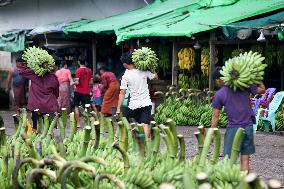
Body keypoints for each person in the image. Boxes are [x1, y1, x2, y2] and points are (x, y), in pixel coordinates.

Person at [210, 67, 265, 171]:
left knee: (228, 161)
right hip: (248, 126)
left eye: (215, 81)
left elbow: (215, 116)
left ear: (218, 80)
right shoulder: (244, 86)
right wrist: (254, 77)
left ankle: (230, 184)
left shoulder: (219, 94)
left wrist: (212, 132)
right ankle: (246, 185)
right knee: (245, 160)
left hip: (233, 129)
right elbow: (262, 89)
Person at [116, 52, 158, 138]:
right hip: (146, 103)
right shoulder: (143, 71)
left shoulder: (125, 75)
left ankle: (123, 138)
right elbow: (155, 77)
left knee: (124, 120)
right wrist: (152, 68)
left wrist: (118, 108)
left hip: (133, 105)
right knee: (145, 123)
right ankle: (147, 142)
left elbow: (122, 93)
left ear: (124, 64)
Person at [18, 61, 59, 130]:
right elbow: (56, 94)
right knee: (50, 130)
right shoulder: (53, 78)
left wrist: (27, 64)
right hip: (49, 107)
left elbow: (22, 71)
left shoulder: (34, 74)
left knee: (36, 128)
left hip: (35, 106)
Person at [73, 60, 93, 128]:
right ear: (85, 62)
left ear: (79, 62)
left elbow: (77, 82)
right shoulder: (89, 70)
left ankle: (78, 124)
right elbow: (91, 82)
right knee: (87, 108)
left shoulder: (78, 70)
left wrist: (73, 82)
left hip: (78, 91)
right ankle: (87, 123)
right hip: (86, 91)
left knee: (76, 107)